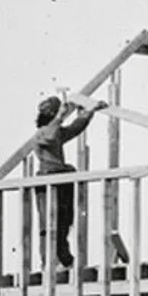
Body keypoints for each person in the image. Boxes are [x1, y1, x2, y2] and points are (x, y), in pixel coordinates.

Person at [33, 93, 107, 268]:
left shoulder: (55, 131)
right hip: (48, 181)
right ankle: (49, 261)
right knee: (50, 223)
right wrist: (60, 116)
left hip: (61, 180)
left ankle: (64, 258)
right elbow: (50, 136)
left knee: (64, 221)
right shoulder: (41, 133)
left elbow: (75, 128)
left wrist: (90, 112)